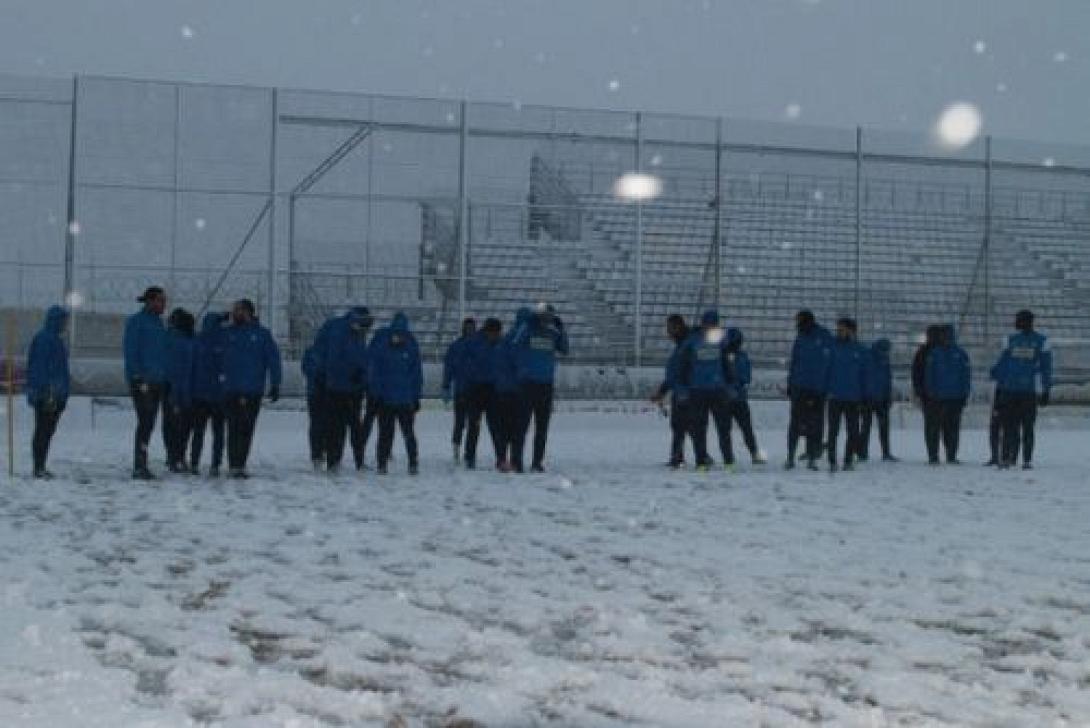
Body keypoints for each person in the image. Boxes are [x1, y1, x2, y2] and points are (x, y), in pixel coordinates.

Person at [221, 299, 282, 478]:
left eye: (238, 310)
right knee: (233, 427)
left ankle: (241, 463)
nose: (234, 314)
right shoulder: (227, 333)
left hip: (252, 389)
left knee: (247, 427)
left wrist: (276, 383)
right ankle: (234, 464)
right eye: (234, 310)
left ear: (248, 312)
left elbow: (273, 359)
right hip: (231, 389)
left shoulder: (262, 335)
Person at [512, 303, 570, 472]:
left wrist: (562, 329)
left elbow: (565, 349)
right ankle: (517, 461)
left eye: (550, 316)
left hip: (545, 384)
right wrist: (522, 369)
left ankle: (537, 462)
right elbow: (516, 345)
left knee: (542, 427)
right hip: (528, 384)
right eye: (545, 315)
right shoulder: (528, 329)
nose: (548, 318)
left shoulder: (553, 333)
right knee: (522, 426)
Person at [991, 309, 1052, 470]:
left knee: (1028, 426)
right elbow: (1003, 362)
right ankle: (1006, 457)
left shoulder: (1042, 341)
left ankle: (1027, 459)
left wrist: (1046, 389)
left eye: (1019, 320)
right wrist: (995, 374)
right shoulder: (1010, 340)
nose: (1015, 322)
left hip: (1028, 391)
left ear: (1028, 321)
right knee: (1009, 426)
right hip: (1008, 389)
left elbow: (1046, 367)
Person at [679, 310, 734, 470]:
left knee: (723, 428)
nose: (711, 327)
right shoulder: (692, 342)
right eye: (709, 324)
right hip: (698, 390)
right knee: (699, 429)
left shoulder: (722, 341)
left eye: (714, 324)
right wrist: (683, 388)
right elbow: (684, 366)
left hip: (718, 390)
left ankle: (729, 461)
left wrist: (730, 384)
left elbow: (727, 364)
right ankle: (701, 462)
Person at [321, 306, 374, 473]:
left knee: (355, 427)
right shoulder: (339, 332)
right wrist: (350, 373)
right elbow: (334, 359)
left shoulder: (359, 335)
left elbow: (363, 359)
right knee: (336, 427)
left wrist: (363, 378)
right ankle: (333, 461)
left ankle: (359, 460)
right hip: (338, 388)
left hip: (354, 389)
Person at [123, 286, 168, 480]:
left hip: (158, 380)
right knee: (145, 421)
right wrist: (136, 376)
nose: (163, 304)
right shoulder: (136, 322)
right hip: (143, 381)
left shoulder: (159, 324)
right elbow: (130, 350)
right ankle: (139, 464)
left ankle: (142, 461)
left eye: (164, 301)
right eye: (160, 300)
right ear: (150, 301)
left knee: (149, 422)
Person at [369, 312, 422, 474]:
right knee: (385, 433)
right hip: (386, 400)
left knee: (408, 433)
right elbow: (375, 373)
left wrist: (415, 396)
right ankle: (382, 463)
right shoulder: (382, 348)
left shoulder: (411, 347)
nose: (398, 337)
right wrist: (376, 394)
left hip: (405, 400)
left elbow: (416, 374)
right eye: (396, 333)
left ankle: (413, 462)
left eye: (401, 333)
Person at [25, 305, 70, 479]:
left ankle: (40, 465)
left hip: (55, 393)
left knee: (46, 431)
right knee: (43, 430)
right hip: (48, 394)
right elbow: (40, 368)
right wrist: (47, 392)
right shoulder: (45, 339)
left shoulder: (55, 339)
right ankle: (38, 466)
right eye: (64, 320)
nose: (66, 324)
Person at [786, 309, 832, 471]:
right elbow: (794, 361)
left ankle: (812, 458)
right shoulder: (800, 338)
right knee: (795, 424)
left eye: (799, 321)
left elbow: (830, 362)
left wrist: (827, 385)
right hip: (799, 387)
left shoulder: (824, 336)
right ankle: (790, 457)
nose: (797, 324)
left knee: (815, 425)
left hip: (818, 388)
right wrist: (790, 383)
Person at [650, 314, 695, 468]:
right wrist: (662, 391)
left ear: (677, 327)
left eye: (669, 328)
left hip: (686, 392)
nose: (667, 332)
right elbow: (674, 373)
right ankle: (679, 456)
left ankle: (680, 457)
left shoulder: (686, 345)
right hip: (681, 391)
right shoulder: (682, 345)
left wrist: (663, 391)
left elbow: (679, 372)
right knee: (683, 425)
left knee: (682, 425)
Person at [923, 324, 971, 465]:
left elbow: (966, 375)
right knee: (934, 428)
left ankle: (951, 455)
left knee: (952, 429)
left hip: (955, 398)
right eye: (943, 335)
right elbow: (929, 375)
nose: (945, 337)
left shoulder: (961, 354)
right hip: (937, 398)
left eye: (947, 334)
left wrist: (965, 393)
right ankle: (933, 455)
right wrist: (930, 391)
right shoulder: (934, 353)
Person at [825, 318, 868, 472]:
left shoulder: (860, 350)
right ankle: (832, 460)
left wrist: (863, 396)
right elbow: (826, 370)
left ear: (851, 331)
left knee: (853, 431)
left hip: (853, 397)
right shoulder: (832, 347)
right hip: (835, 396)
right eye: (838, 329)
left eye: (842, 329)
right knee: (833, 431)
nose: (839, 332)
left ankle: (848, 460)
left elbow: (864, 375)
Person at [459, 318, 503, 469]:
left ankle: (501, 457)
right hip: (475, 389)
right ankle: (470, 457)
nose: (496, 336)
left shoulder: (500, 344)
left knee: (496, 426)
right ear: (488, 331)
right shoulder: (473, 343)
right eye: (494, 333)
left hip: (493, 389)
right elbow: (464, 365)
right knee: (474, 425)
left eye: (498, 334)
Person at [491, 309, 529, 472]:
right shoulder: (520, 338)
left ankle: (502, 459)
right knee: (518, 430)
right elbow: (519, 364)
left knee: (503, 429)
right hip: (516, 391)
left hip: (502, 389)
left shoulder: (506, 339)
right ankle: (515, 461)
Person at [191, 312, 227, 476]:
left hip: (200, 394)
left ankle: (194, 462)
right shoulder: (225, 341)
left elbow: (191, 367)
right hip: (219, 395)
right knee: (218, 432)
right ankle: (215, 464)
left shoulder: (197, 341)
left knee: (198, 431)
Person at [724, 327, 766, 465]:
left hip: (739, 398)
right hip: (727, 399)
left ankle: (754, 453)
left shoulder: (742, 356)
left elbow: (746, 376)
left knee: (746, 428)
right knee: (725, 430)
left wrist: (737, 384)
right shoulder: (722, 356)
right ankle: (729, 457)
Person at [164, 308, 197, 473]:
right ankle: (176, 457)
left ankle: (174, 457)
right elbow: (180, 370)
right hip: (182, 389)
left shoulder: (172, 339)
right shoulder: (184, 342)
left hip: (177, 388)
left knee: (174, 425)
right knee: (181, 427)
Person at [442, 318, 476, 463]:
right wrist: (446, 385)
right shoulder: (456, 346)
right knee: (460, 422)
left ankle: (469, 452)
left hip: (476, 390)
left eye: (472, 327)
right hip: (461, 389)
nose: (469, 330)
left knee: (474, 423)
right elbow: (449, 367)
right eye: (467, 327)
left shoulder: (480, 346)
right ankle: (456, 447)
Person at [860, 338, 897, 462]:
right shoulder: (867, 357)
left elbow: (888, 379)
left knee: (883, 427)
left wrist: (888, 395)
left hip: (881, 399)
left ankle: (885, 452)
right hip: (868, 398)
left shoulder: (884, 359)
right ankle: (863, 452)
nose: (888, 352)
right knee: (866, 427)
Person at [301, 343, 325, 470]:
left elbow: (305, 368)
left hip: (318, 390)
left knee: (320, 423)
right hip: (318, 391)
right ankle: (317, 452)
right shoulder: (313, 351)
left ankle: (319, 452)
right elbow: (306, 368)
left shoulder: (311, 351)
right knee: (317, 423)